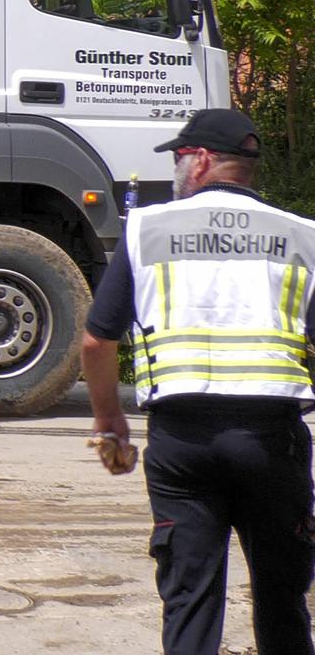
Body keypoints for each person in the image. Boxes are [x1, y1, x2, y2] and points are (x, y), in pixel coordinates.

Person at [82, 108, 315, 655]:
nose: (176, 169)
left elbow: (97, 342)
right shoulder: (302, 235)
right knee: (283, 600)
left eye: (179, 157)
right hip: (271, 441)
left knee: (190, 599)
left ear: (203, 160)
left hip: (182, 441)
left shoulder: (148, 229)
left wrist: (110, 423)